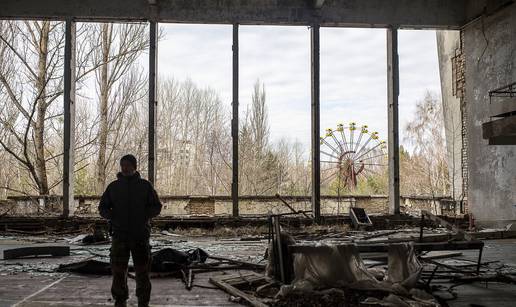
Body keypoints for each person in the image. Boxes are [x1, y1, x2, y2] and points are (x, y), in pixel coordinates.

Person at [98, 154, 162, 307]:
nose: (125, 168)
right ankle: (120, 300)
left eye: (128, 165)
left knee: (142, 271)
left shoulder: (145, 186)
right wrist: (112, 216)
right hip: (119, 236)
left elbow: (156, 206)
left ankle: (143, 302)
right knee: (119, 271)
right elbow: (102, 207)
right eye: (123, 165)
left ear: (135, 167)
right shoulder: (113, 187)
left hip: (139, 235)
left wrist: (143, 216)